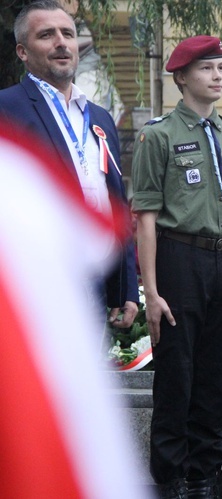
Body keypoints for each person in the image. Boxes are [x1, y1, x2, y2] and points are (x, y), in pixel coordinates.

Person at [131, 35, 222, 498]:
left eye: (221, 68)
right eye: (206, 69)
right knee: (177, 375)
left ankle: (205, 476)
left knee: (215, 376)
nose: (217, 76)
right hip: (179, 258)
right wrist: (153, 292)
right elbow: (144, 218)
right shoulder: (159, 135)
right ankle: (170, 478)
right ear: (181, 77)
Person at [0, 0, 137, 327]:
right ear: (22, 52)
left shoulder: (99, 117)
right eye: (46, 35)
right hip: (33, 285)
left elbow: (114, 199)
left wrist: (126, 286)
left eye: (68, 34)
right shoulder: (7, 109)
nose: (61, 42)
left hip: (95, 283)